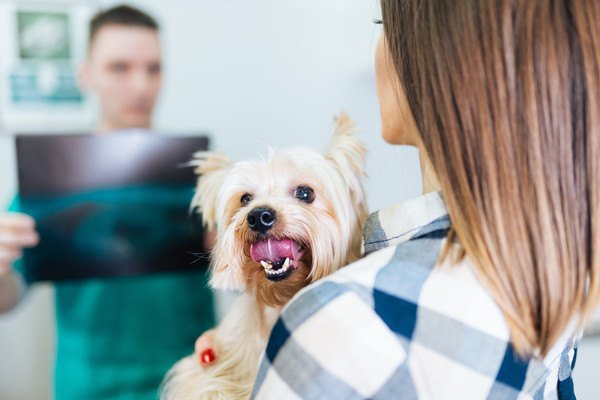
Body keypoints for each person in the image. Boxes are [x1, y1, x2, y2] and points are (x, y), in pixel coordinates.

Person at [248, 0, 600, 398]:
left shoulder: (343, 316)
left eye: (382, 23)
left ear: (442, 60)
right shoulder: (558, 272)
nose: (377, 48)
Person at [0, 5, 214, 399]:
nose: (140, 86)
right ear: (86, 75)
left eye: (153, 68)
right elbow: (8, 297)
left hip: (192, 383)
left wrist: (235, 253)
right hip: (89, 386)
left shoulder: (205, 177)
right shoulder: (47, 182)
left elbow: (249, 285)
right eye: (119, 67)